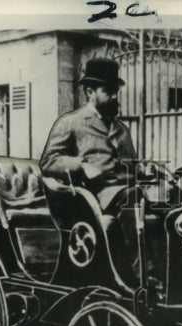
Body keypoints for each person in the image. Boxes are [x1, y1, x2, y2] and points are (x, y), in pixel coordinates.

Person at [40, 58, 136, 213]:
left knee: (170, 197)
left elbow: (132, 165)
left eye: (115, 92)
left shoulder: (122, 129)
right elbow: (48, 161)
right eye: (108, 91)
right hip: (99, 196)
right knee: (133, 198)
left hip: (130, 189)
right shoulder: (70, 123)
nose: (114, 97)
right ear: (90, 92)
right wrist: (82, 165)